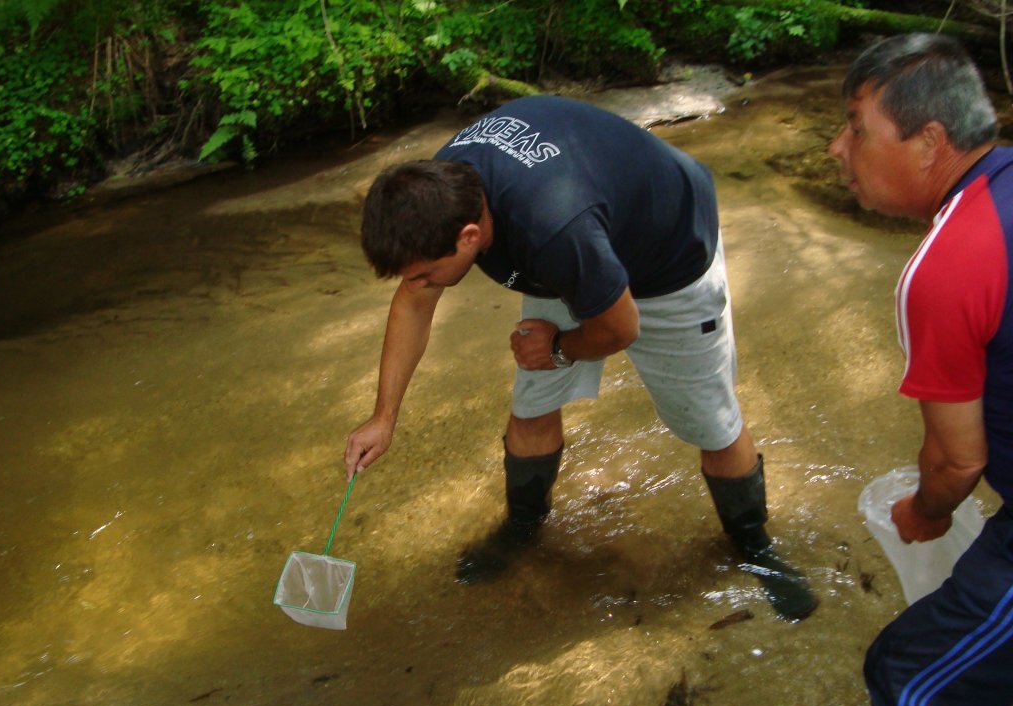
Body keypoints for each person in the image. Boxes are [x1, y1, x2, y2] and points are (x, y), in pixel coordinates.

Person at [344, 94, 817, 621]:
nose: (418, 285)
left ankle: (754, 546)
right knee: (533, 401)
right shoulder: (442, 188)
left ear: (469, 237)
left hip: (669, 251)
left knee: (711, 420)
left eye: (425, 272)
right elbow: (414, 302)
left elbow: (620, 327)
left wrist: (559, 346)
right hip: (581, 232)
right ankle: (522, 530)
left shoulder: (552, 227)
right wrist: (384, 417)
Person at [828, 33, 1013, 706]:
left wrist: (924, 513)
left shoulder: (947, 264)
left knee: (910, 683)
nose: (839, 149)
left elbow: (957, 461)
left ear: (930, 142)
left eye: (857, 128)